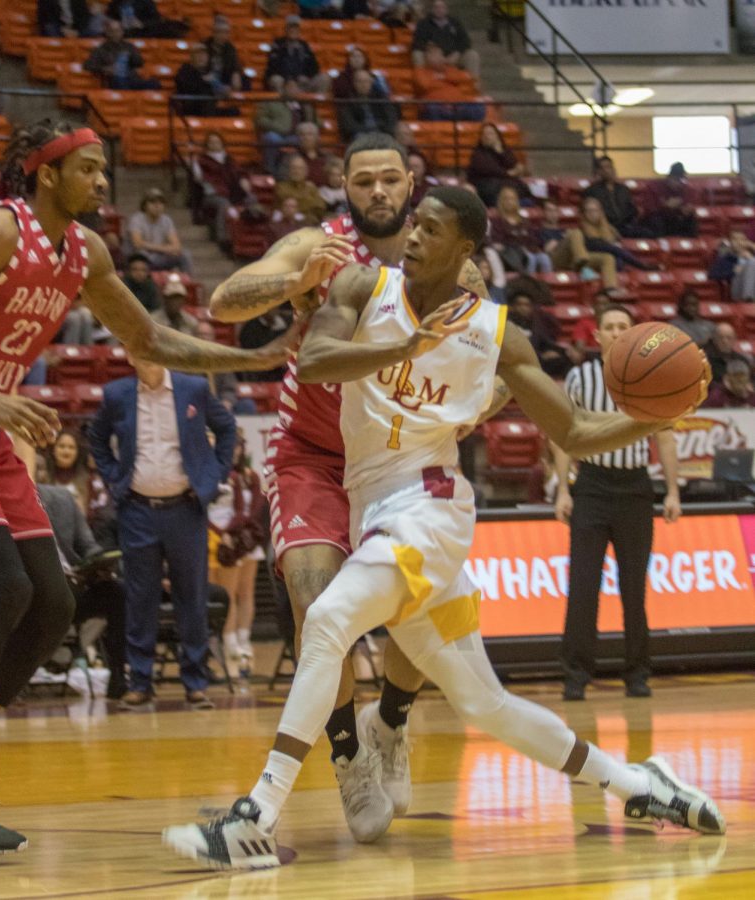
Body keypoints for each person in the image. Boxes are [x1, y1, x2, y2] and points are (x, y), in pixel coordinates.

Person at [163, 186, 723, 870]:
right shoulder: (365, 286)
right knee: (485, 705)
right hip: (373, 504)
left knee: (331, 619)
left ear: (465, 251)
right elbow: (312, 362)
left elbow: (574, 433)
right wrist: (402, 343)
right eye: (414, 225)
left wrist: (655, 418)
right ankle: (639, 783)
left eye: (432, 228)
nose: (415, 235)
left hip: (428, 508)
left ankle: (256, 815)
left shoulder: (496, 334)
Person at [0, 116, 297, 853]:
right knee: (4, 588)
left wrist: (256, 357)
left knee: (52, 601)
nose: (104, 182)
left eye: (105, 169)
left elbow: (149, 340)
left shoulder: (86, 251)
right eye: (90, 169)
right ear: (47, 174)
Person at [205, 133, 489, 844]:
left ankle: (390, 722)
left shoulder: (452, 263)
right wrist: (293, 284)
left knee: (414, 607)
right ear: (344, 185)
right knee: (314, 602)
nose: (378, 194)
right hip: (312, 453)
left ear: (412, 180)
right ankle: (346, 756)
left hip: (400, 459)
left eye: (390, 179)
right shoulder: (317, 245)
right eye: (363, 182)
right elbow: (224, 301)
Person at [89, 353, 237, 709]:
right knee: (140, 600)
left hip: (186, 509)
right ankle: (140, 682)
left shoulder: (194, 388)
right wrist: (113, 478)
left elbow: (227, 427)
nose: (145, 355)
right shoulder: (116, 394)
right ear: (130, 355)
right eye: (136, 348)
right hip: (137, 510)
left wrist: (213, 476)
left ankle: (196, 682)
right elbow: (96, 439)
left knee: (192, 597)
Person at [553, 304, 682, 701]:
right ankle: (576, 676)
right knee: (583, 586)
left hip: (635, 489)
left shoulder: (652, 378)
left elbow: (664, 437)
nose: (614, 332)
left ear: (632, 334)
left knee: (633, 588)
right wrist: (562, 488)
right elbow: (561, 432)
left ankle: (637, 674)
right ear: (598, 336)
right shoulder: (580, 376)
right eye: (608, 326)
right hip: (591, 486)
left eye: (622, 327)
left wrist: (673, 490)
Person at [36, 481, 127, 699]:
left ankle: (119, 678)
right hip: (33, 590)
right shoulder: (3, 497)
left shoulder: (62, 498)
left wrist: (100, 563)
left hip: (72, 583)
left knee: (115, 593)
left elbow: (88, 545)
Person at [209, 431, 267, 677]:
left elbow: (253, 509)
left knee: (244, 592)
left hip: (242, 539)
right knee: (224, 593)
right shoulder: (211, 472)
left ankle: (243, 640)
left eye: (237, 446)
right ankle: (227, 640)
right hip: (214, 537)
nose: (234, 450)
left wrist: (234, 531)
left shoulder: (250, 476)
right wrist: (218, 532)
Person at [191, 132, 253, 250]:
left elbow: (240, 172)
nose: (214, 144)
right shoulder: (201, 161)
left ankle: (249, 235)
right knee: (224, 204)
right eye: (211, 142)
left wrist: (244, 179)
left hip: (233, 191)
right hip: (212, 194)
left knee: (251, 198)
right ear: (207, 144)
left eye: (217, 141)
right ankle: (223, 237)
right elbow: (199, 179)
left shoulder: (229, 159)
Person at [126, 187, 193, 274]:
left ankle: (187, 283)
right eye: (153, 202)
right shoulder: (137, 219)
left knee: (185, 254)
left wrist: (155, 248)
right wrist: (166, 248)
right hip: (141, 257)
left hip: (159, 256)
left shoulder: (166, 220)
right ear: (145, 205)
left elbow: (177, 246)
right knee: (142, 254)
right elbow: (138, 243)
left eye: (161, 203)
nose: (157, 206)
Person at [83, 19, 161, 91]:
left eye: (117, 31)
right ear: (107, 33)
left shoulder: (129, 46)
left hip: (131, 78)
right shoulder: (100, 49)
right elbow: (88, 65)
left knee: (154, 83)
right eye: (112, 31)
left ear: (122, 32)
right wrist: (104, 69)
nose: (115, 34)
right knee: (119, 80)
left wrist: (132, 57)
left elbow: (139, 63)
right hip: (115, 79)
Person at [413, 43, 483, 122]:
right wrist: (447, 80)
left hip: (457, 107)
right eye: (433, 54)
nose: (437, 57)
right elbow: (424, 85)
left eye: (439, 54)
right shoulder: (421, 71)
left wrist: (441, 77)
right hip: (437, 108)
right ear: (426, 57)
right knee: (432, 108)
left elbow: (464, 78)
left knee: (478, 107)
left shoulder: (449, 69)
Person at [411, 0, 480, 80]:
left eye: (442, 7)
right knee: (417, 54)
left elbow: (466, 41)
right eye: (436, 7)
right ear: (432, 9)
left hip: (453, 56)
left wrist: (457, 53)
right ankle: (422, 82)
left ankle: (474, 84)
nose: (439, 10)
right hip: (432, 56)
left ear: (446, 9)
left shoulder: (455, 23)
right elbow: (417, 42)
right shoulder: (423, 24)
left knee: (472, 55)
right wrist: (430, 51)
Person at [492, 184, 552, 275]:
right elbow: (499, 243)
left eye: (512, 199)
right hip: (511, 255)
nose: (509, 202)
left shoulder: (524, 221)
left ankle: (548, 285)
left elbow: (533, 239)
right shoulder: (497, 221)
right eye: (506, 199)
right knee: (530, 258)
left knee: (544, 258)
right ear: (501, 201)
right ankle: (528, 284)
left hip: (529, 251)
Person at [583, 156, 648, 238]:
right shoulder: (592, 191)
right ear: (598, 171)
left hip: (626, 226)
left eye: (609, 167)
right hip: (606, 227)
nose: (607, 171)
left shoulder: (624, 189)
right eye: (604, 168)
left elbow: (631, 210)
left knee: (647, 232)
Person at [264, 15, 330, 94]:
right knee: (276, 79)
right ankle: (284, 105)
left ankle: (315, 104)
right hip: (284, 81)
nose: (293, 30)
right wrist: (289, 79)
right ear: (286, 29)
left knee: (324, 78)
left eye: (296, 28)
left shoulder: (304, 45)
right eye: (291, 28)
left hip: (302, 82)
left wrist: (306, 77)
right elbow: (273, 67)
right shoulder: (278, 44)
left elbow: (314, 67)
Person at [466, 122, 525, 209]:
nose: (487, 136)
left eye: (490, 133)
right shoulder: (478, 154)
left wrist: (500, 152)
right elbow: (488, 169)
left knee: (520, 187)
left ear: (497, 136)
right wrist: (508, 174)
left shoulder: (504, 151)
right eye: (484, 134)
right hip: (486, 186)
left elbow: (515, 166)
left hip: (505, 184)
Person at [336, 69, 399, 143]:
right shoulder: (347, 101)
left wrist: (383, 129)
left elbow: (391, 117)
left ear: (371, 82)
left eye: (366, 81)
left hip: (382, 132)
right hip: (360, 135)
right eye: (360, 81)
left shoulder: (381, 98)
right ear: (354, 83)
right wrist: (369, 130)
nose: (363, 85)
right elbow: (349, 125)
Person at [44, 428, 92, 515]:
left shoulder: (88, 480)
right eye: (61, 446)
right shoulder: (43, 477)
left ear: (77, 452)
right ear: (53, 450)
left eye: (71, 447)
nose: (66, 451)